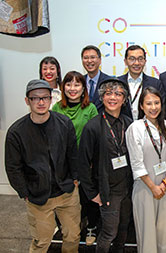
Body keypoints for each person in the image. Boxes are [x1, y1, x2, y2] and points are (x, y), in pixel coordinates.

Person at [5, 79, 80, 252]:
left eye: (45, 98)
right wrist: (24, 192)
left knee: (73, 235)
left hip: (66, 192)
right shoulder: (16, 132)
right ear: (27, 101)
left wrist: (74, 179)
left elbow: (73, 155)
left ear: (51, 99)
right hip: (37, 196)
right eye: (35, 98)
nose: (41, 102)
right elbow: (13, 167)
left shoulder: (64, 123)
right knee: (42, 241)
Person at [78, 78, 133, 252]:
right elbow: (83, 163)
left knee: (124, 228)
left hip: (128, 188)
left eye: (118, 94)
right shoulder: (93, 126)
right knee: (109, 232)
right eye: (108, 93)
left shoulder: (128, 123)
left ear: (124, 99)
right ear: (102, 98)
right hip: (108, 191)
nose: (113, 97)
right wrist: (92, 192)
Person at [52, 71, 99, 245]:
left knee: (88, 196)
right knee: (67, 198)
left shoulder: (91, 108)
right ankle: (71, 227)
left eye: (77, 84)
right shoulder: (57, 108)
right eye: (69, 84)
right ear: (63, 87)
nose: (73, 89)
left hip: (86, 162)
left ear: (83, 88)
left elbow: (96, 138)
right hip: (64, 163)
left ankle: (92, 227)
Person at [126, 87, 166, 253]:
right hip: (145, 187)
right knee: (147, 235)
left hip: (165, 187)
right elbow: (136, 163)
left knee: (163, 232)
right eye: (149, 103)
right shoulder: (135, 128)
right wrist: (153, 187)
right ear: (141, 106)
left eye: (156, 103)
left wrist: (165, 183)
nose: (153, 107)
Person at [118, 45, 164, 120]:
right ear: (125, 61)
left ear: (145, 61)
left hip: (147, 127)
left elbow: (161, 108)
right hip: (122, 126)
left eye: (140, 59)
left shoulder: (155, 83)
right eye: (132, 59)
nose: (136, 63)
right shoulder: (118, 83)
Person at [81, 45, 111, 111]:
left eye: (92, 57)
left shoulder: (109, 81)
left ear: (100, 60)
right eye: (86, 58)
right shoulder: (80, 81)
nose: (89, 61)